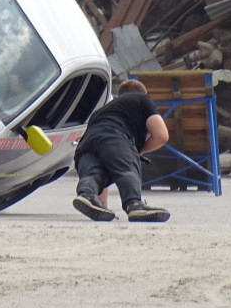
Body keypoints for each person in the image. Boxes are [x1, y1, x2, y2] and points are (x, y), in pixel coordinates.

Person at [72, 78, 170, 222]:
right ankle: (134, 204)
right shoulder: (142, 99)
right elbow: (162, 135)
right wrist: (138, 152)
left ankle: (87, 195)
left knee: (95, 173)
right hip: (114, 136)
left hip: (85, 146)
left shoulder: (102, 111)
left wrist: (104, 207)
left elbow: (107, 157)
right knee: (127, 168)